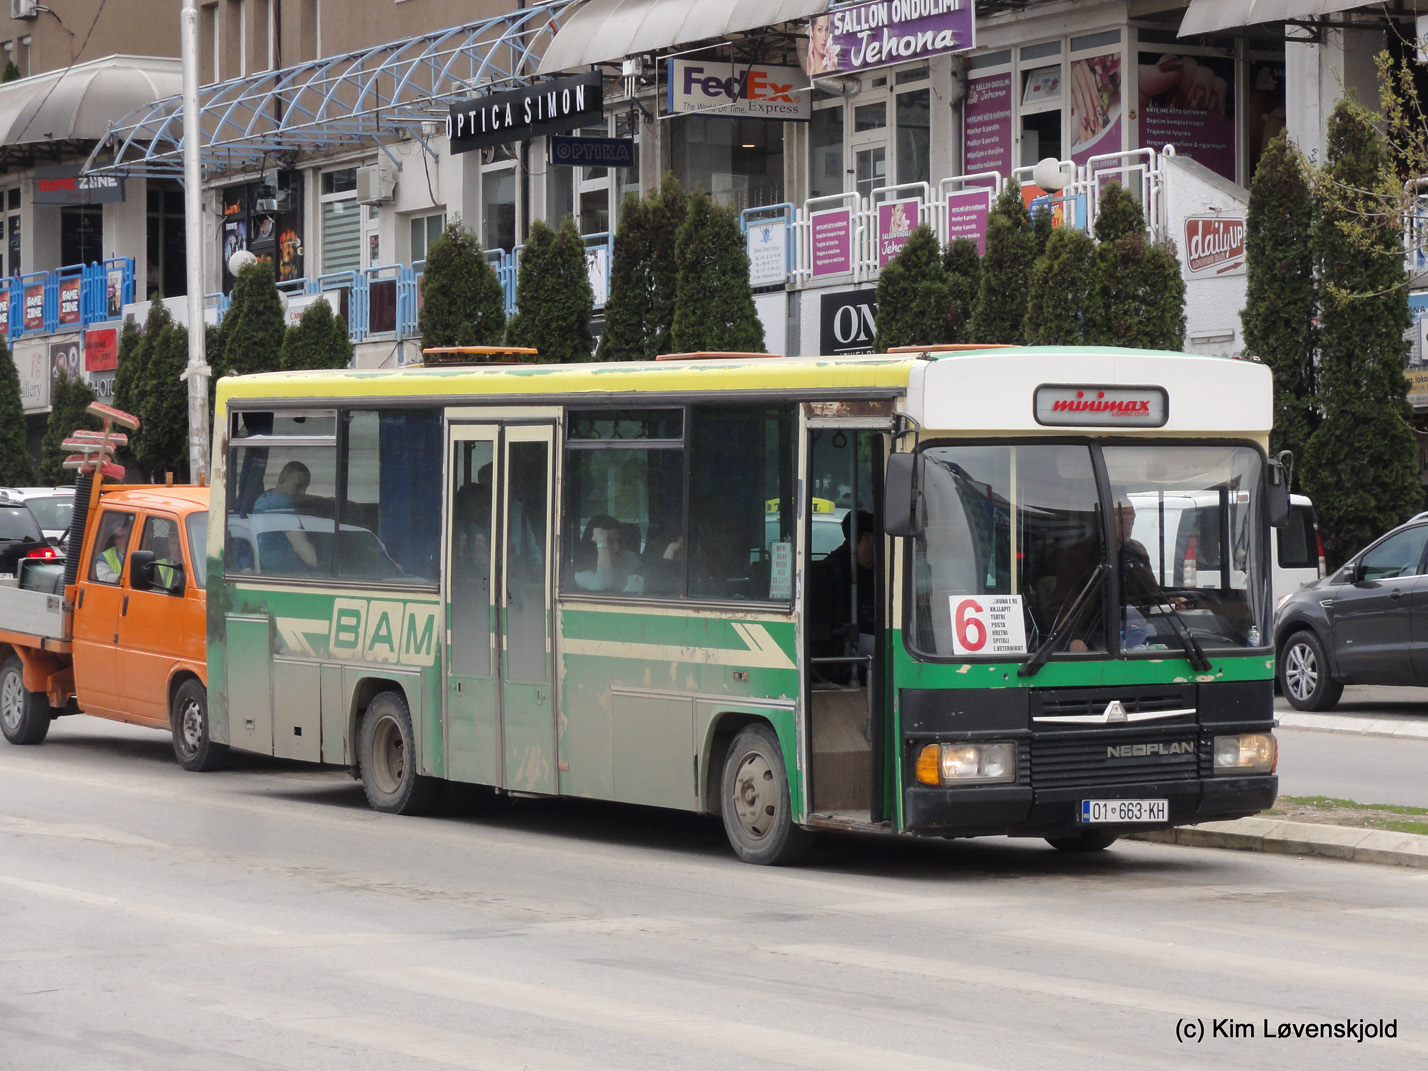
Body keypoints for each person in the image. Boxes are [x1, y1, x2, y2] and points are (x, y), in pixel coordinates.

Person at [825, 510, 876, 656]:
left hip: (868, 632)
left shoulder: (877, 567)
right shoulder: (833, 571)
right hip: (843, 639)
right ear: (867, 538)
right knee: (882, 648)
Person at [254, 460, 318, 571]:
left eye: (305, 488)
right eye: (297, 486)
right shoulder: (282, 505)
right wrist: (322, 568)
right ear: (281, 479)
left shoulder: (264, 498)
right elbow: (300, 545)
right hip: (290, 573)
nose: (302, 493)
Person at [573, 513, 640, 592]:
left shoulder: (630, 558)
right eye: (610, 542)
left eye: (618, 540)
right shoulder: (582, 574)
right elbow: (604, 584)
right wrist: (602, 540)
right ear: (594, 544)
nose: (617, 547)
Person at [92, 513, 133, 583]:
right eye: (119, 537)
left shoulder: (143, 550)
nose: (124, 541)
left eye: (127, 536)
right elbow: (105, 578)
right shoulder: (105, 557)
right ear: (114, 540)